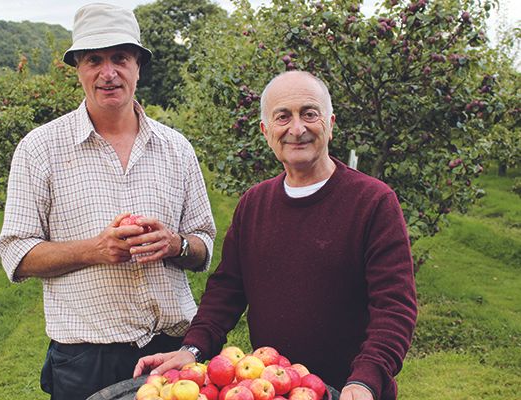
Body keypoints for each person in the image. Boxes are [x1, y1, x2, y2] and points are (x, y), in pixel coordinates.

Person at [133, 71, 417, 400]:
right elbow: (226, 291)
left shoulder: (373, 202)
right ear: (266, 131)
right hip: (272, 390)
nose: (297, 128)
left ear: (331, 123)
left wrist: (366, 379)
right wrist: (193, 349)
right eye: (283, 116)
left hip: (350, 391)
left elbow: (394, 307)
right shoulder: (254, 204)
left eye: (309, 114)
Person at [0, 3, 216, 399]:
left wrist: (175, 244)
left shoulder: (176, 149)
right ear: (78, 68)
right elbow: (17, 254)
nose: (108, 72)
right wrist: (96, 249)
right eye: (94, 59)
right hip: (85, 359)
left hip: (172, 350)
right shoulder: (40, 149)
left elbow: (203, 247)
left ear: (138, 65)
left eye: (120, 58)